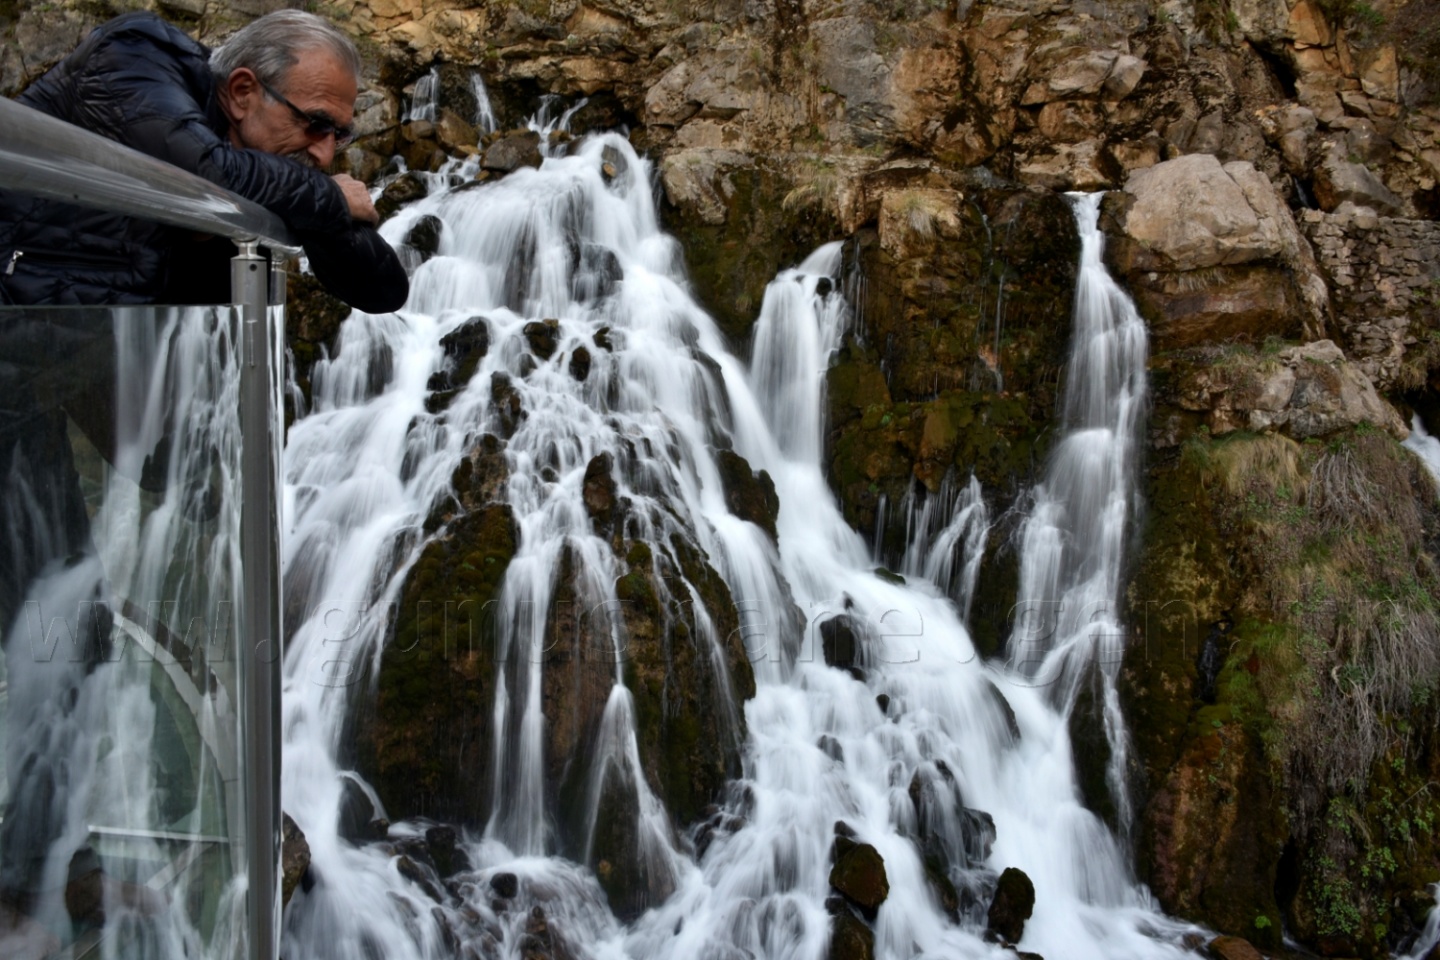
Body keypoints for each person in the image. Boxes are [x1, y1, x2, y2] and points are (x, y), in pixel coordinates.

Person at [0, 9, 408, 312]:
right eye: (316, 123)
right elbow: (203, 173)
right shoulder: (132, 56)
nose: (325, 152)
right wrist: (330, 198)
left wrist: (327, 214)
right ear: (244, 91)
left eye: (340, 134)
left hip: (117, 365)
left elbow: (383, 292)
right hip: (20, 326)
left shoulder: (278, 169)